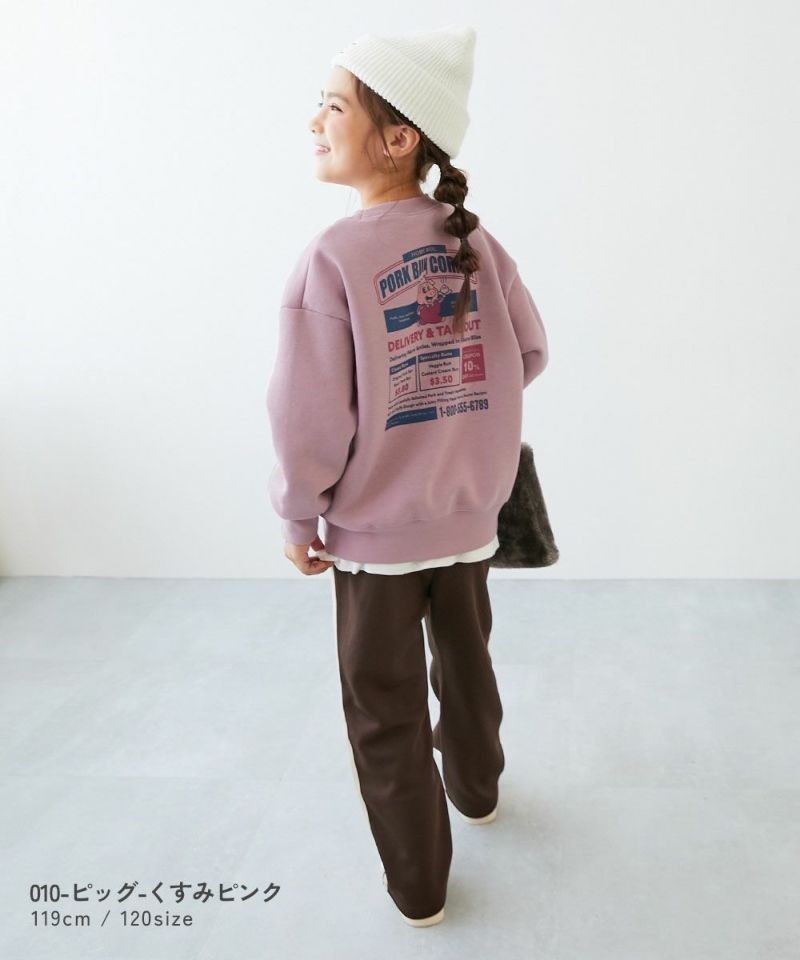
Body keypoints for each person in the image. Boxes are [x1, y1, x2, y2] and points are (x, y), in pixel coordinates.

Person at [265, 24, 549, 926]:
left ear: (397, 138)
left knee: (383, 708)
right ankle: (479, 791)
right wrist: (459, 430)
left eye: (333, 107)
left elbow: (307, 418)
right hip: (469, 522)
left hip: (375, 539)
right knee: (466, 661)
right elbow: (528, 352)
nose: (315, 121)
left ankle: (421, 891)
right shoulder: (475, 242)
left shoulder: (334, 259)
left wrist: (300, 516)